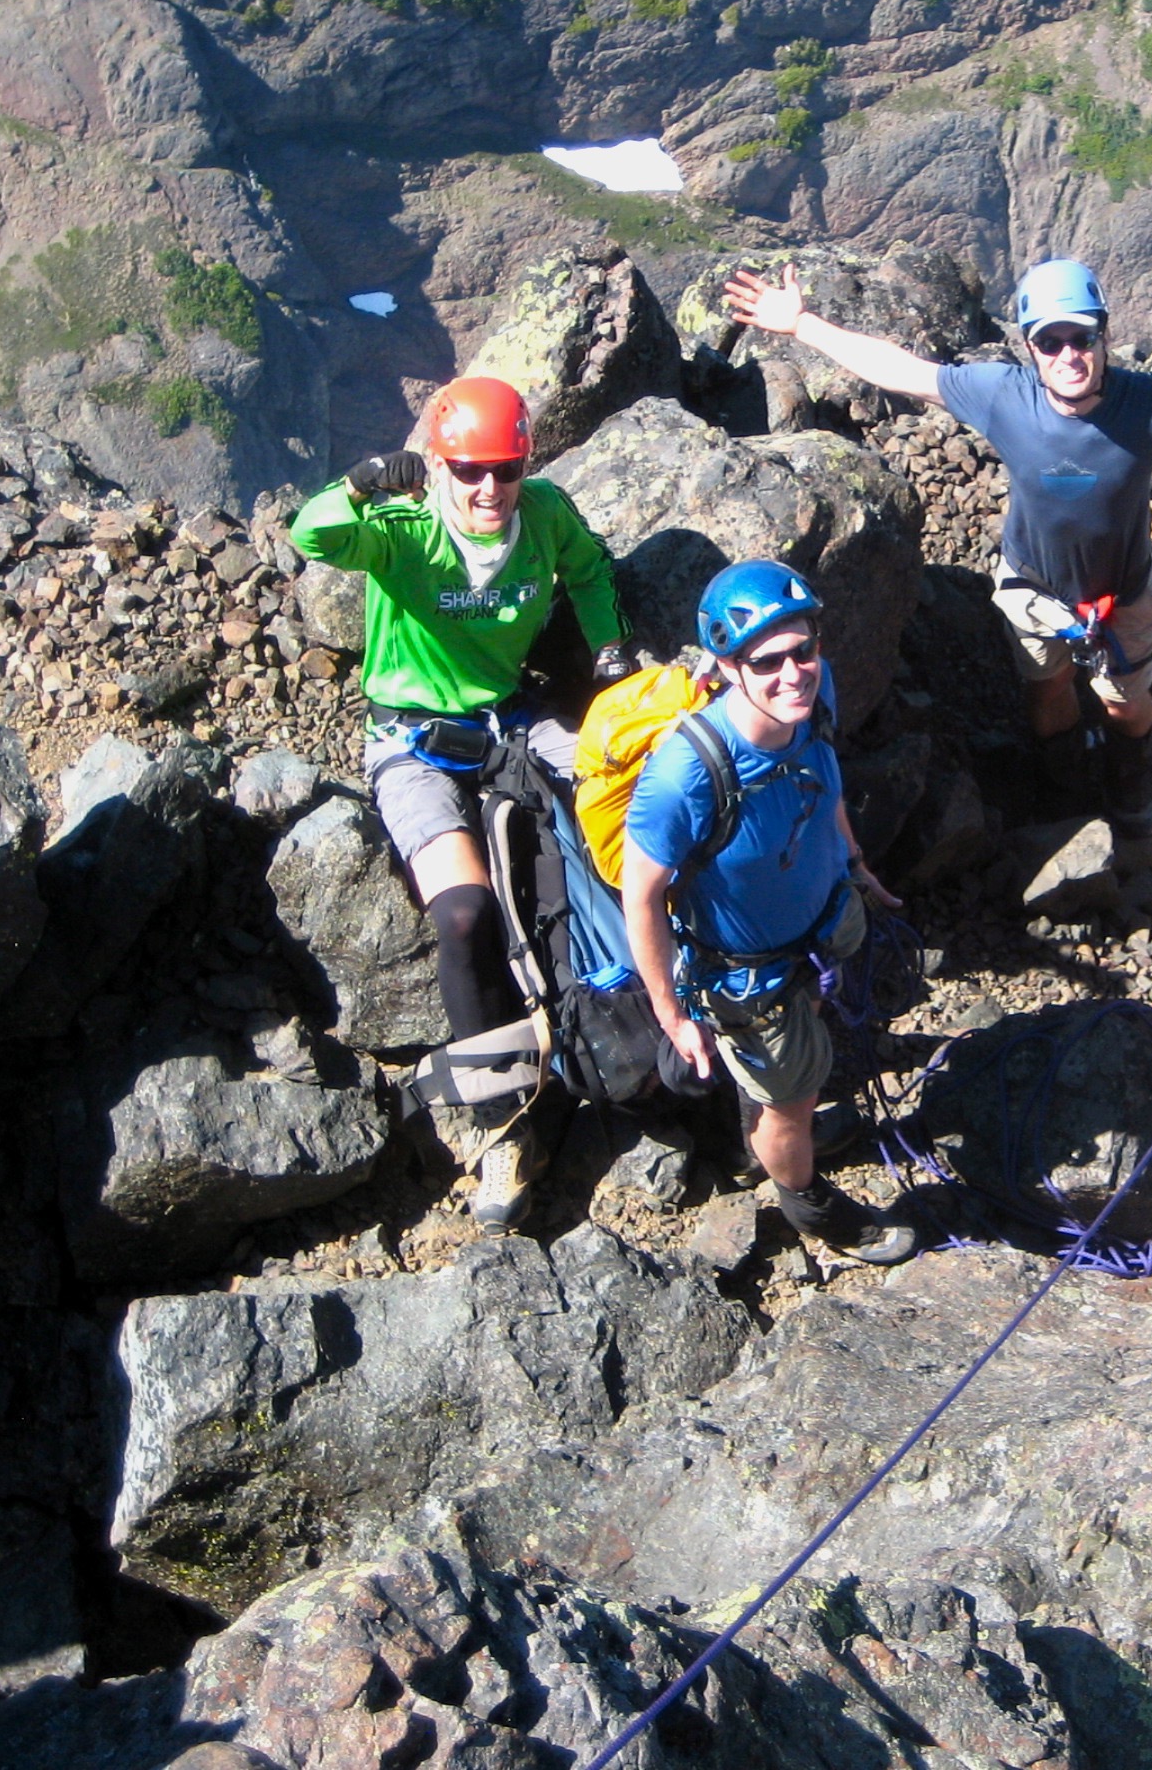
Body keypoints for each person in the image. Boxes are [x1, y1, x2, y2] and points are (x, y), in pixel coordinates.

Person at [722, 256, 1152, 836]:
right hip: (1033, 589)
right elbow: (897, 369)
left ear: (1103, 335)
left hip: (1123, 592)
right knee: (1047, 689)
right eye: (1050, 341)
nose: (1068, 355)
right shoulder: (1003, 395)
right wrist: (803, 324)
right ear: (1029, 347)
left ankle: (1130, 787)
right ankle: (1066, 787)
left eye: (1082, 338)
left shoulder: (1148, 402)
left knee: (1129, 704)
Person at [290, 375, 627, 1231]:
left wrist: (612, 652)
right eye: (469, 470)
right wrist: (368, 479)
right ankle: (503, 1124)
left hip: (508, 719)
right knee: (466, 915)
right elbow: (314, 533)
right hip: (410, 739)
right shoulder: (402, 531)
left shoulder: (544, 514)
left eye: (505, 470)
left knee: (626, 812)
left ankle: (656, 1025)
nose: (488, 489)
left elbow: (589, 572)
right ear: (439, 464)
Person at [619, 560, 918, 1267]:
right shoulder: (685, 775)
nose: (795, 674)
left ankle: (776, 1127)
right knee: (793, 1093)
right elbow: (642, 897)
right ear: (726, 666)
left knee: (809, 1048)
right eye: (769, 661)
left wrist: (854, 862)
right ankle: (806, 1196)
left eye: (805, 650)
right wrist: (672, 1014)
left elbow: (825, 782)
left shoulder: (816, 697)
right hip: (747, 979)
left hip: (816, 924)